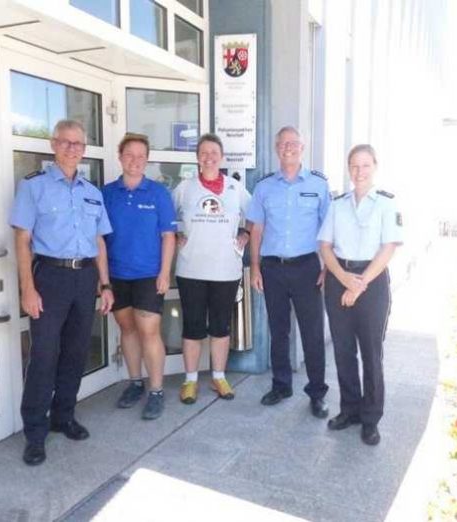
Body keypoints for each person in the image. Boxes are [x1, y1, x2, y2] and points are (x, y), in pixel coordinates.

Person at [10, 119, 114, 466]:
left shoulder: (92, 192)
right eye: (66, 142)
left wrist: (105, 284)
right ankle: (35, 433)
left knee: (75, 352)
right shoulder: (33, 187)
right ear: (54, 145)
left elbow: (99, 241)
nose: (73, 148)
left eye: (79, 144)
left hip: (84, 279)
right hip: (49, 278)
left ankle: (64, 416)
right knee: (44, 355)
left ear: (84, 150)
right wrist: (28, 288)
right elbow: (22, 240)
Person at [317, 144, 403, 445]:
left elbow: (388, 247)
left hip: (372, 280)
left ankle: (370, 418)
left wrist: (360, 284)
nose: (359, 172)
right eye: (354, 166)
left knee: (371, 354)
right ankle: (350, 410)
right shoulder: (338, 204)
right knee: (342, 352)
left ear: (375, 167)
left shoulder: (386, 204)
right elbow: (325, 245)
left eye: (365, 165)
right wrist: (342, 279)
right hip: (340, 277)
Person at [247, 126, 330, 418]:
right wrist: (255, 266)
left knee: (312, 333)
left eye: (294, 143)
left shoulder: (319, 185)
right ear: (276, 148)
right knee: (278, 330)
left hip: (307, 267)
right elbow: (256, 228)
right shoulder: (264, 186)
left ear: (302, 147)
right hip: (273, 268)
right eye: (283, 144)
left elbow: (329, 230)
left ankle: (317, 393)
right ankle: (281, 385)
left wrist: (327, 268)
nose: (289, 148)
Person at [173, 133, 251, 404]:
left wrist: (246, 234)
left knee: (220, 327)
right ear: (197, 157)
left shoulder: (235, 188)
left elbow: (255, 215)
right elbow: (166, 219)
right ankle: (190, 381)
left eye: (213, 153)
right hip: (191, 269)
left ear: (221, 157)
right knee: (193, 327)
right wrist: (175, 236)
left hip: (225, 270)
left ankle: (219, 376)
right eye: (203, 153)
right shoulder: (185, 188)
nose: (208, 158)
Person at [102, 133, 176, 420]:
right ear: (120, 157)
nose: (135, 160)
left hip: (148, 275)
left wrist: (164, 273)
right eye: (129, 155)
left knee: (149, 332)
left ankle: (156, 391)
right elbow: (99, 239)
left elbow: (168, 236)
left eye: (141, 156)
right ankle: (135, 384)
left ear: (147, 160)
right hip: (117, 275)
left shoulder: (158, 193)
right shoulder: (106, 194)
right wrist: (104, 279)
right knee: (128, 331)